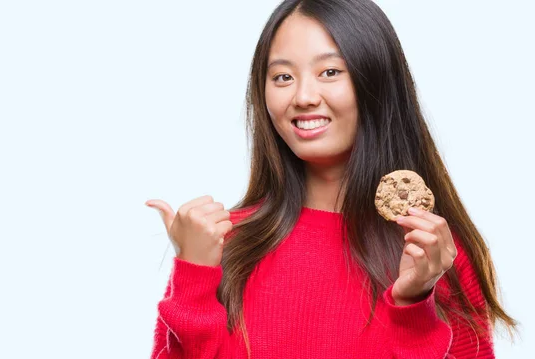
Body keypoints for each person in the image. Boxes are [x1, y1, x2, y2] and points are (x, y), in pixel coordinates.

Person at [145, 0, 518, 357]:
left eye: (330, 72)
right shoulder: (222, 246)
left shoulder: (432, 253)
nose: (304, 96)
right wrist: (194, 276)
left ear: (376, 82)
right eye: (283, 77)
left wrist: (412, 304)